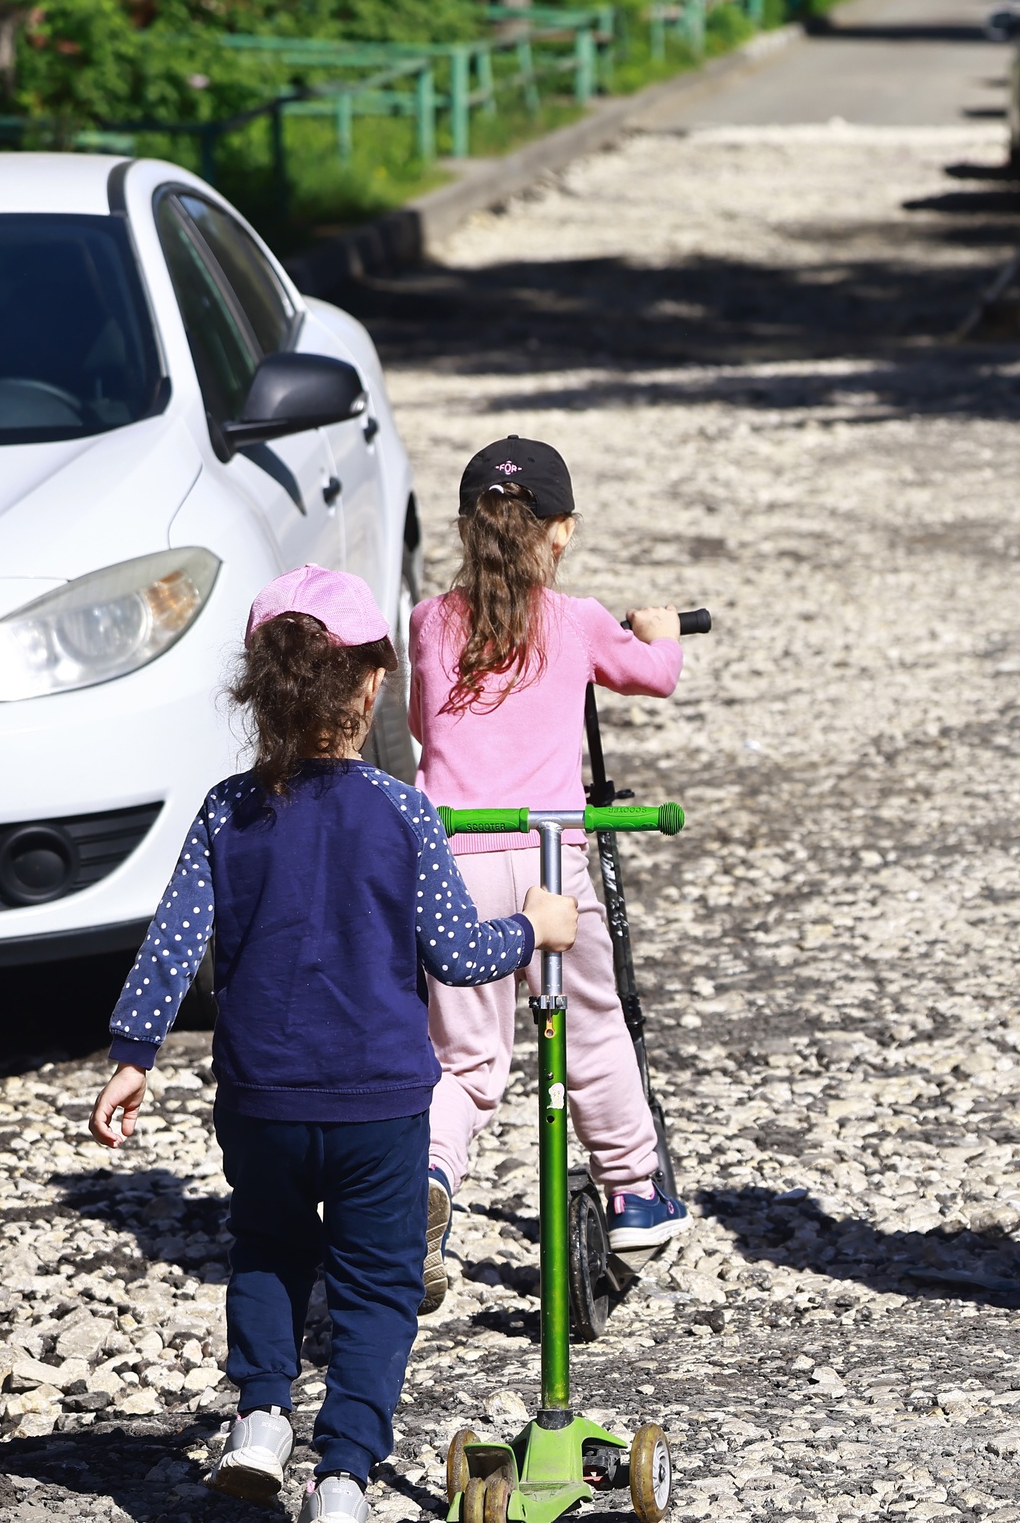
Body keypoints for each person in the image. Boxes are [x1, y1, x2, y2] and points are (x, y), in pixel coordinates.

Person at [89, 566, 574, 1523]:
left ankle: (263, 1419)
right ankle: (345, 1474)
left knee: (268, 1248)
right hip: (380, 1101)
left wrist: (134, 1053)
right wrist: (536, 927)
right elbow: (456, 952)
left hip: (260, 1095)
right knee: (378, 1280)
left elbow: (175, 940)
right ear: (371, 685)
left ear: (260, 688)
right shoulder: (402, 811)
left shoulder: (226, 811)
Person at [410, 436, 693, 1311]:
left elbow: (426, 727)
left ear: (465, 525)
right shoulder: (574, 620)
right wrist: (662, 631)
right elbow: (654, 676)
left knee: (463, 1062)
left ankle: (424, 1182)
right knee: (592, 1029)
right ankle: (637, 1192)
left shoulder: (428, 621)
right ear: (560, 532)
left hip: (452, 859)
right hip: (548, 865)